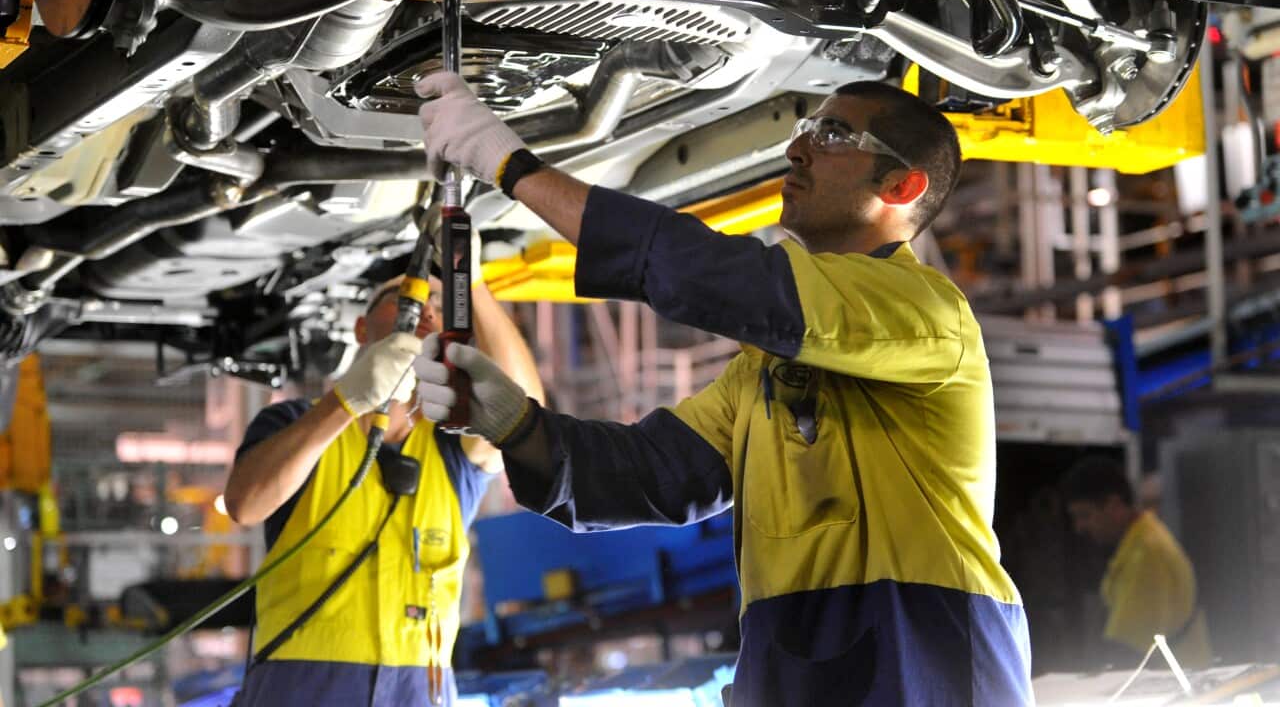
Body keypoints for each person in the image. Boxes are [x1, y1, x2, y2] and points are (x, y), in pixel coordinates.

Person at [411, 73, 1033, 705]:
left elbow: (721, 279)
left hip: (927, 654)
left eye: (834, 133)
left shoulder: (926, 310)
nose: (798, 149)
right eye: (804, 129)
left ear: (902, 186)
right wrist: (512, 423)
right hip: (802, 659)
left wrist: (514, 168)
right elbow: (652, 474)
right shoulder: (764, 372)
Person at [223, 258, 543, 707]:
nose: (426, 311)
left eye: (437, 303)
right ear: (360, 329)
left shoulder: (452, 445)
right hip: (302, 688)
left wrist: (471, 282)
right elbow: (245, 504)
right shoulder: (298, 423)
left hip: (420, 690)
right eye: (404, 300)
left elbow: (522, 412)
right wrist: (344, 402)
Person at [1061, 456, 1212, 668]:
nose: (1079, 527)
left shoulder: (1146, 553)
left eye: (1085, 515)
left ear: (1114, 505)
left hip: (1171, 690)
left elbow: (1126, 651)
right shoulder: (1138, 539)